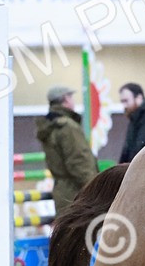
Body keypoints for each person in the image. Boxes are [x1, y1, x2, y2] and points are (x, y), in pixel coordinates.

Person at [35, 85, 98, 215]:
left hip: (61, 191)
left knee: (66, 232)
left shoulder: (49, 126)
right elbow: (79, 161)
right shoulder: (67, 127)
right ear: (66, 100)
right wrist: (95, 189)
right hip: (77, 192)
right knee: (81, 232)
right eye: (71, 97)